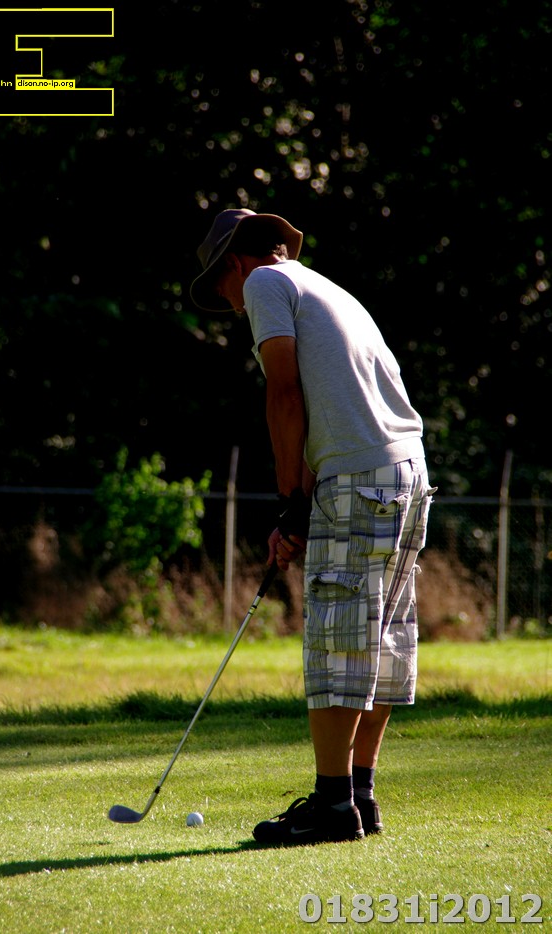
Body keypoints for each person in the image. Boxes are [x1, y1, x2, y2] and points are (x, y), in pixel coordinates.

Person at [190, 208, 436, 846]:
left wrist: (289, 500)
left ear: (234, 263)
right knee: (380, 638)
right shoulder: (327, 288)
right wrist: (300, 505)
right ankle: (359, 795)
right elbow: (330, 407)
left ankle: (331, 807)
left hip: (357, 479)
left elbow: (285, 395)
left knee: (338, 640)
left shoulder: (264, 283)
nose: (231, 303)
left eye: (220, 286)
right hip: (406, 474)